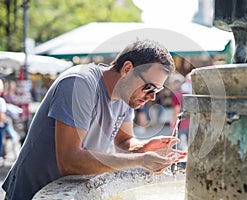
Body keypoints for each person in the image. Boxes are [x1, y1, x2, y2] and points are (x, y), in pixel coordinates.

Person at [2, 39, 186, 200]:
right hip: (33, 192)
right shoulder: (79, 83)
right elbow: (69, 161)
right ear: (127, 69)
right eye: (149, 87)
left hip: (72, 190)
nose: (152, 97)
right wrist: (140, 160)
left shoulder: (125, 96)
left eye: (157, 90)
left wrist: (143, 147)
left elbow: (124, 141)